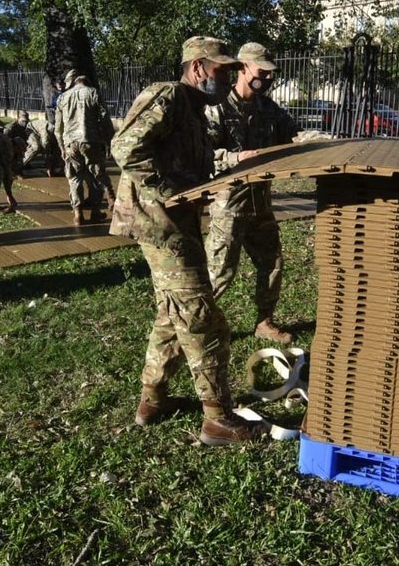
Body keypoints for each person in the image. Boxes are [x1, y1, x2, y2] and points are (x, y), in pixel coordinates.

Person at [110, 36, 269, 447]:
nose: (227, 77)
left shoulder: (196, 111)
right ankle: (217, 418)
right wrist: (168, 189)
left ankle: (153, 399)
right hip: (161, 226)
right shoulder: (167, 96)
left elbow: (185, 161)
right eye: (221, 69)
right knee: (203, 320)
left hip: (177, 225)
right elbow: (125, 147)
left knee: (171, 314)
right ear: (197, 67)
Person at [204, 42, 301, 344]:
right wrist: (236, 158)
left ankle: (264, 321)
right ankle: (201, 327)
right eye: (262, 72)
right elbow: (204, 153)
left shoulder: (268, 109)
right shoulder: (217, 108)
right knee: (220, 273)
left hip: (261, 203)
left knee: (272, 265)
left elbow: (295, 136)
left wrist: (326, 144)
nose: (268, 78)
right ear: (243, 68)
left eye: (271, 73)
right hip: (229, 205)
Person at [55, 69, 117, 225]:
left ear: (72, 82)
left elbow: (58, 128)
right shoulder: (93, 93)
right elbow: (104, 118)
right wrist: (108, 140)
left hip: (70, 143)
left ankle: (78, 214)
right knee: (95, 175)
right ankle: (96, 212)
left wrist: (62, 147)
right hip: (91, 140)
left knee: (74, 177)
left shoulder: (62, 97)